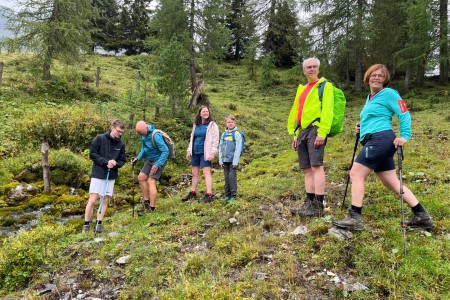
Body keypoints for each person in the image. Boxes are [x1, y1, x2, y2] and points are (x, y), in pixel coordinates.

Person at [333, 64, 433, 231]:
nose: (376, 77)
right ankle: (422, 215)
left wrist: (405, 136)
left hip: (381, 139)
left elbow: (404, 113)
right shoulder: (370, 97)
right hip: (377, 140)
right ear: (368, 77)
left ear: (385, 79)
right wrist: (362, 127)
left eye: (380, 75)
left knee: (356, 174)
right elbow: (376, 117)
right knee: (393, 183)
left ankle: (355, 217)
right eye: (373, 75)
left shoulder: (389, 93)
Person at [287, 57, 334, 217]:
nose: (311, 69)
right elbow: (296, 112)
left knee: (316, 166)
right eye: (308, 67)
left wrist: (322, 132)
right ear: (304, 70)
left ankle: (319, 205)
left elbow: (328, 110)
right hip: (302, 130)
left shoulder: (325, 86)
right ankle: (309, 201)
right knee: (306, 169)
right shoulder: (302, 89)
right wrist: (295, 134)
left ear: (318, 69)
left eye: (314, 67)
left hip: (316, 128)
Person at [83, 120, 126, 233]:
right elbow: (92, 154)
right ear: (112, 128)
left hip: (111, 175)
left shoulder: (120, 144)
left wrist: (116, 164)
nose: (120, 134)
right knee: (92, 200)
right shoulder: (100, 138)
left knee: (105, 199)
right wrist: (105, 162)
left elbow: (122, 160)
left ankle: (99, 224)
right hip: (98, 173)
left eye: (122, 132)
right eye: (119, 131)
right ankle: (86, 225)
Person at [131, 121, 169, 216]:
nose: (140, 135)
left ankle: (152, 208)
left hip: (159, 160)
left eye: (141, 133)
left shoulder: (155, 135)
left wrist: (157, 165)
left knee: (151, 181)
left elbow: (165, 151)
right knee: (141, 178)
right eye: (138, 133)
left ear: (146, 128)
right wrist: (138, 158)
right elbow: (144, 149)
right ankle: (146, 202)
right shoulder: (143, 136)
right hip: (150, 160)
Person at [182, 106, 219, 203]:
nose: (206, 113)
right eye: (204, 111)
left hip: (205, 152)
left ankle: (209, 194)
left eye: (207, 111)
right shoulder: (196, 125)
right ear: (200, 113)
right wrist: (189, 150)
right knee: (194, 173)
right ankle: (193, 192)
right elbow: (192, 138)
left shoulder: (212, 125)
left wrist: (212, 152)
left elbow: (215, 140)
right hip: (195, 151)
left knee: (206, 172)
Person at [218, 114, 243, 203]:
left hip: (233, 162)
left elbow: (238, 149)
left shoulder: (237, 134)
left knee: (232, 178)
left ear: (234, 123)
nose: (230, 123)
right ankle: (227, 195)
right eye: (229, 122)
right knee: (226, 178)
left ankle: (233, 196)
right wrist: (220, 161)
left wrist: (235, 162)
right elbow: (220, 148)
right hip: (225, 161)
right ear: (226, 123)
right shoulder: (223, 134)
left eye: (232, 122)